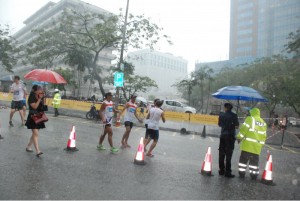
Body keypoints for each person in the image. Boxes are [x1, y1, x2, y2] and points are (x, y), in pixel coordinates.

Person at [236, 107, 267, 180]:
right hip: (256, 148)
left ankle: (242, 174)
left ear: (252, 112)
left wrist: (239, 138)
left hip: (247, 146)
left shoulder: (250, 119)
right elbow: (264, 136)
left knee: (243, 162)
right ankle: (253, 176)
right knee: (254, 163)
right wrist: (261, 144)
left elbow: (244, 130)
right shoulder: (263, 123)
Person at [218, 103, 239, 178]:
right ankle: (228, 172)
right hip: (230, 137)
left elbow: (219, 124)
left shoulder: (221, 115)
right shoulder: (234, 115)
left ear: (226, 108)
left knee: (221, 153)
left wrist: (225, 126)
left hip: (223, 136)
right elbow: (237, 126)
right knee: (229, 154)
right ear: (231, 108)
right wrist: (232, 125)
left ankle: (221, 170)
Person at [25, 85, 46, 157]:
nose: (41, 90)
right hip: (33, 117)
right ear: (35, 90)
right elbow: (34, 107)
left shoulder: (39, 96)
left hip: (39, 117)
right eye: (39, 89)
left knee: (34, 134)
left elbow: (41, 106)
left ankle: (28, 146)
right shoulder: (31, 96)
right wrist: (40, 99)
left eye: (41, 89)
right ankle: (38, 151)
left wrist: (43, 98)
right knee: (36, 134)